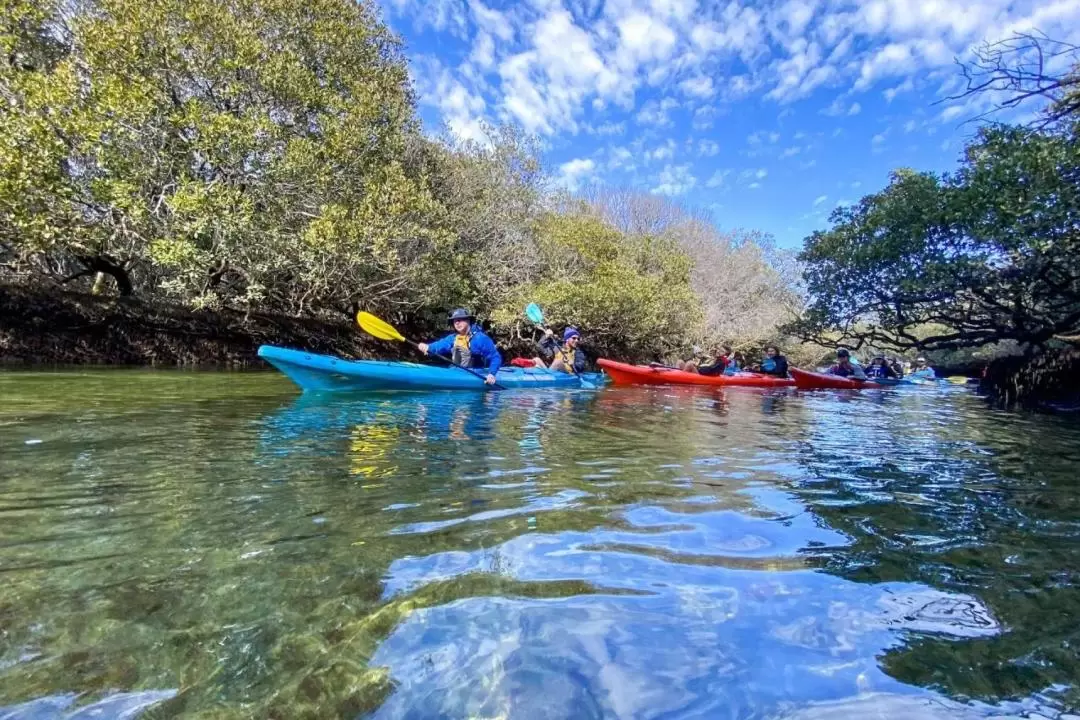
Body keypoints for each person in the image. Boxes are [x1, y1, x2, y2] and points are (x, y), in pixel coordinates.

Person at [418, 308, 502, 385]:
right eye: (455, 321)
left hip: (476, 373)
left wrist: (491, 374)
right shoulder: (453, 338)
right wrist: (428, 347)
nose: (457, 323)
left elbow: (495, 357)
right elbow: (440, 345)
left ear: (468, 320)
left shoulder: (480, 338)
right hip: (455, 371)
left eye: (460, 320)